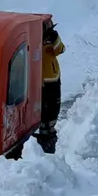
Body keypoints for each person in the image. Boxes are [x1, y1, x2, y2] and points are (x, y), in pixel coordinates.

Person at [37, 21, 65, 154]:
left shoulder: (51, 38)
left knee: (53, 107)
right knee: (42, 108)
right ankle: (43, 136)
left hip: (52, 79)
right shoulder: (33, 38)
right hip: (37, 81)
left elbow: (61, 49)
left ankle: (50, 134)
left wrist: (53, 36)